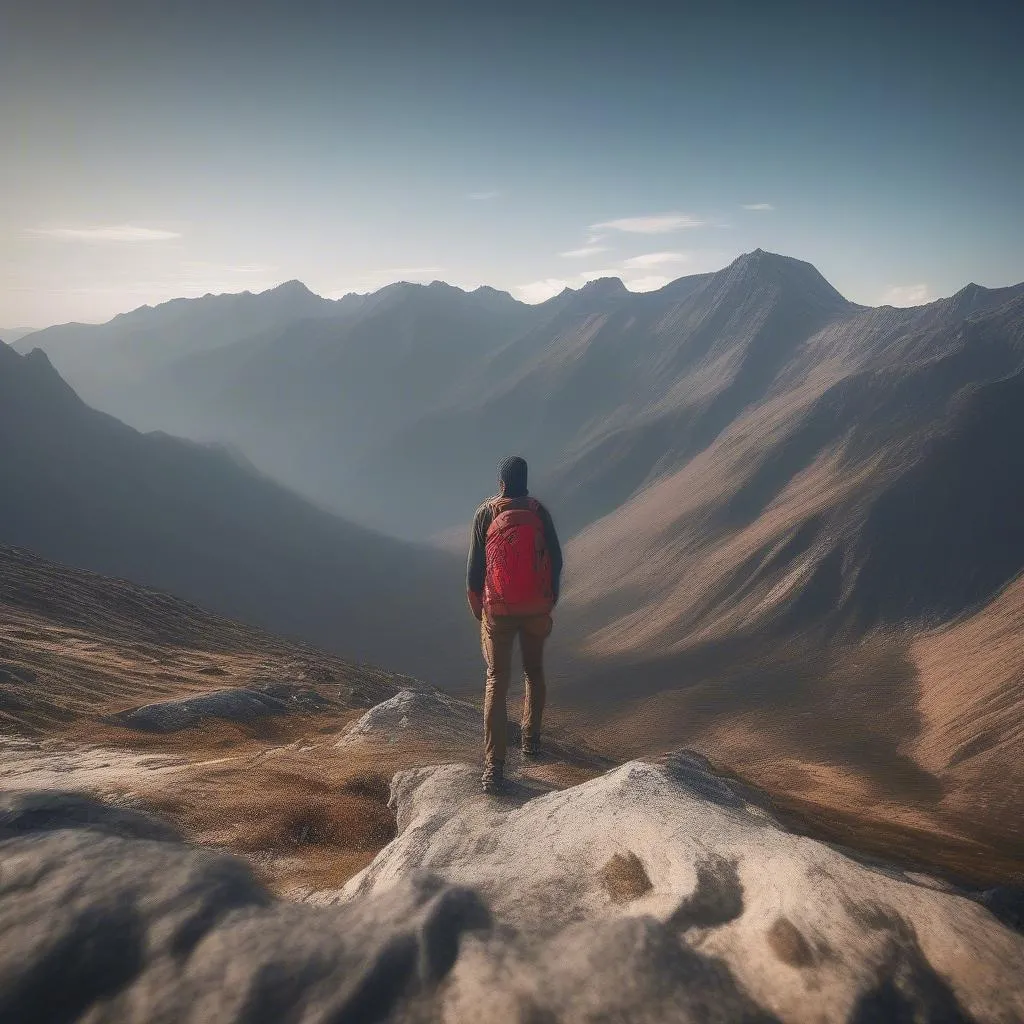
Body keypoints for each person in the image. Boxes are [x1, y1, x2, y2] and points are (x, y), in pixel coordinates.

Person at [466, 455, 563, 794]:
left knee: (496, 678)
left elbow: (474, 572)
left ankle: (494, 768)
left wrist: (481, 610)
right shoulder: (539, 513)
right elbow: (557, 559)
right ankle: (531, 741)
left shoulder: (485, 513)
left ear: (502, 484)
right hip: (536, 608)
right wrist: (548, 599)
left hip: (499, 610)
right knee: (533, 672)